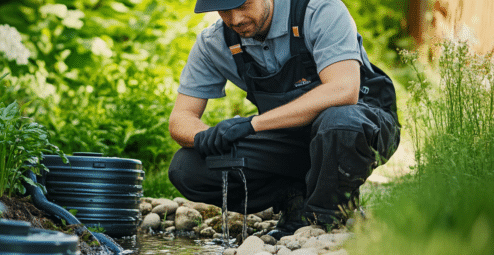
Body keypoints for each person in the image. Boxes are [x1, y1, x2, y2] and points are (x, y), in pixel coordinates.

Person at [167, 0, 400, 239]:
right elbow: (180, 119)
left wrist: (251, 125)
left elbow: (343, 90)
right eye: (225, 10)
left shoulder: (320, 11)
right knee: (187, 167)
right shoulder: (213, 43)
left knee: (339, 123)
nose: (235, 19)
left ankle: (326, 218)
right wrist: (209, 137)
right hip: (289, 138)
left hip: (361, 125)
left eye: (243, 5)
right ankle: (295, 196)